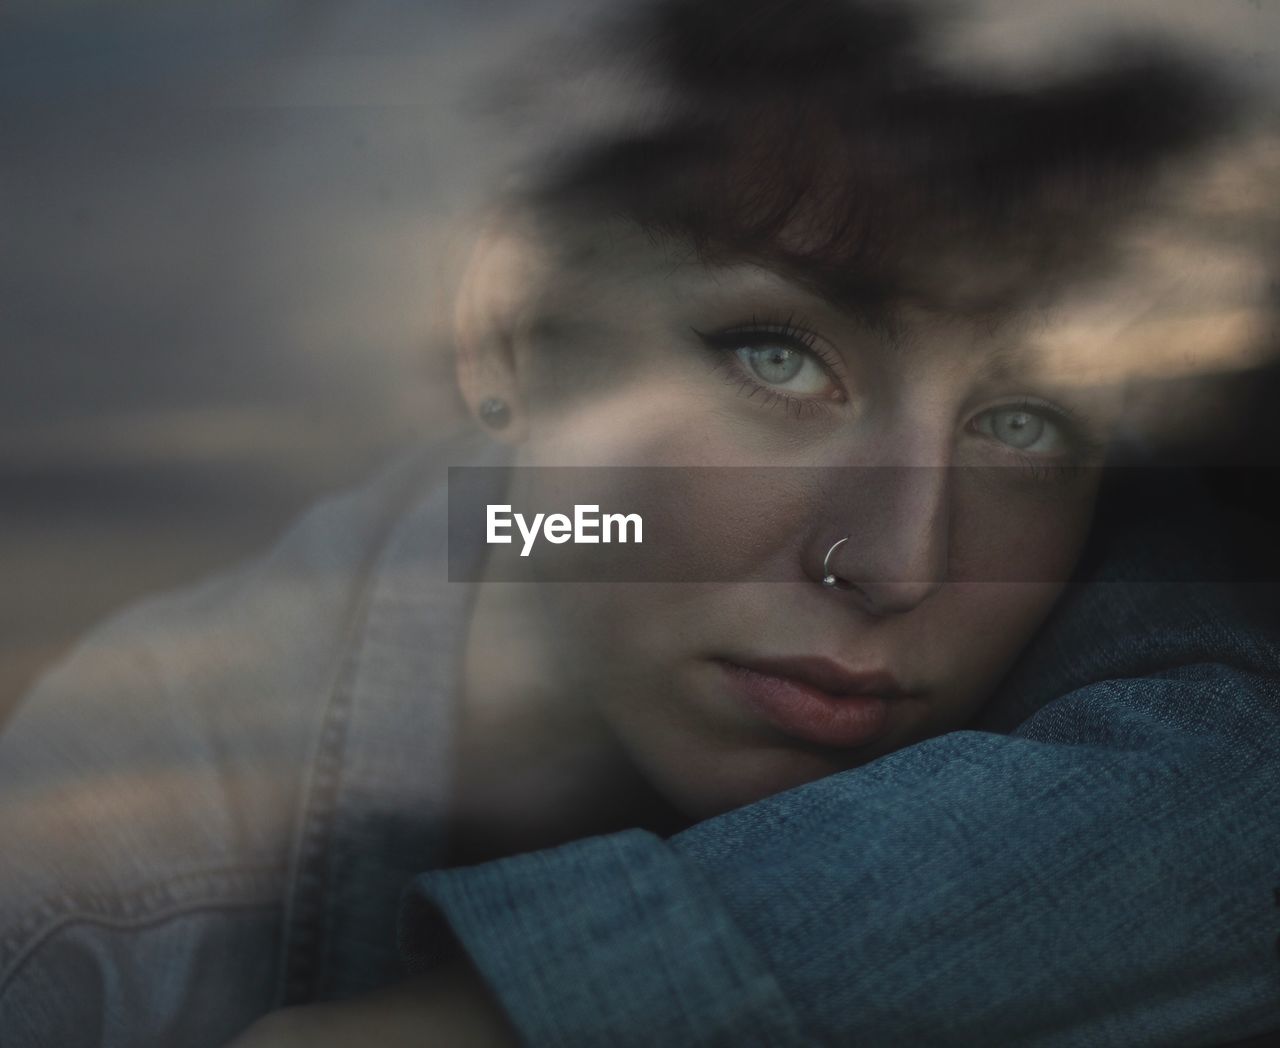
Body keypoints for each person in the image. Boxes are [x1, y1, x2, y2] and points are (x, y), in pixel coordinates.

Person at [3, 1, 1279, 1045]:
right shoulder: (86, 915)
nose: (894, 562)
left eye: (1024, 421)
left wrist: (497, 1016)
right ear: (508, 321)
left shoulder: (1118, 593)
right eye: (775, 357)